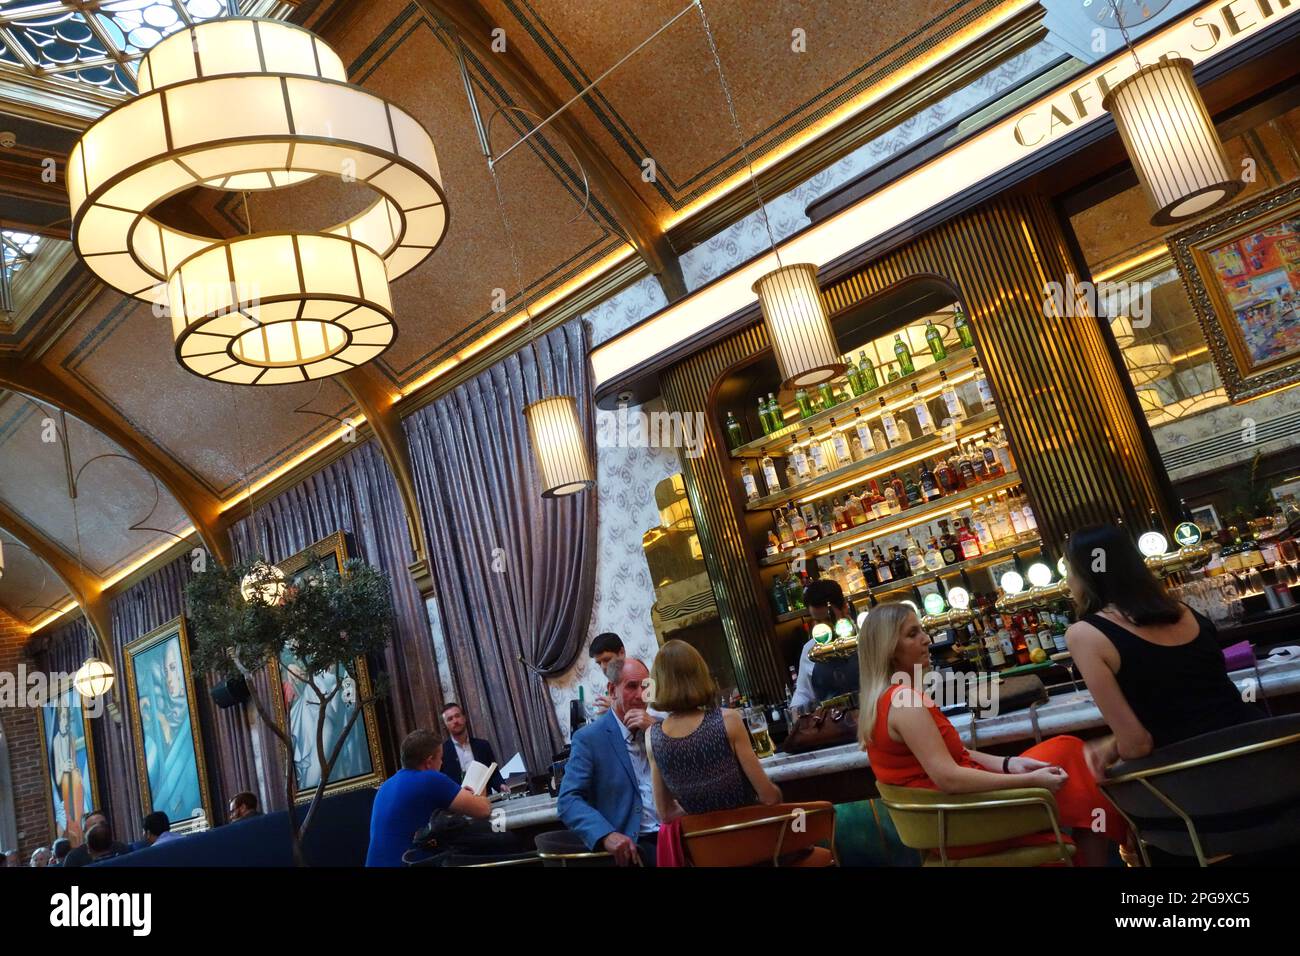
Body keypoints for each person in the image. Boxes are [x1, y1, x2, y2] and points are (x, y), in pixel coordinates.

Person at [858, 601, 1125, 865]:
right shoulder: (906, 702)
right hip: (970, 820)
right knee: (1081, 772)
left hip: (955, 817)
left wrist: (1010, 764)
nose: (927, 640)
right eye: (912, 634)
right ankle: (1122, 848)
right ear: (890, 650)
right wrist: (1030, 781)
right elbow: (949, 778)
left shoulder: (887, 700)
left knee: (1069, 752)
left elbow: (956, 755)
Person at [1064, 524, 1264, 766]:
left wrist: (1107, 748)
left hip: (1197, 776)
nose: (1067, 581)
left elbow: (1137, 744)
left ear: (1087, 574)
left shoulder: (1084, 635)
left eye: (1068, 570)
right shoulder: (1183, 610)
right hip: (1262, 750)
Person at [648, 640, 781, 822]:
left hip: (704, 848)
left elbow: (666, 814)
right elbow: (769, 798)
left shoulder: (652, 737)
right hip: (750, 840)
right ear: (700, 675)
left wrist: (706, 821)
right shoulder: (728, 720)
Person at [558, 657, 660, 866]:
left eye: (645, 686)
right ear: (612, 690)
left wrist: (657, 735)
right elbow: (568, 800)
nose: (641, 695)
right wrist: (605, 835)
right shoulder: (590, 738)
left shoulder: (660, 728)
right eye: (632, 686)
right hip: (636, 845)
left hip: (673, 834)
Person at [365, 729, 491, 867]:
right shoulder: (430, 778)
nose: (442, 763)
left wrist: (458, 797)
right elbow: (483, 810)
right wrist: (479, 789)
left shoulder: (386, 786)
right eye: (440, 758)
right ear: (429, 762)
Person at [790, 578, 860, 713]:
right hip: (836, 726)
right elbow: (803, 693)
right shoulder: (810, 649)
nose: (824, 628)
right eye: (818, 621)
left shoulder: (866, 636)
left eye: (828, 620)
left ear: (844, 608)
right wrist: (795, 714)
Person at [439, 703, 506, 793]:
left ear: (464, 718)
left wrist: (501, 785)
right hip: (458, 803)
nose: (455, 721)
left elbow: (493, 773)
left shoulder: (483, 745)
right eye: (450, 719)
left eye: (457, 716)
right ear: (445, 725)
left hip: (484, 799)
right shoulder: (442, 751)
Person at [63, 811, 130, 867]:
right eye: (94, 825)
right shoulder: (73, 858)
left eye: (102, 824)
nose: (99, 827)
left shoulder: (121, 847)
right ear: (85, 832)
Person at [589, 632, 624, 714]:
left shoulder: (641, 678)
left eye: (607, 659)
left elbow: (649, 716)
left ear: (621, 653)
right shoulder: (612, 685)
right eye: (599, 663)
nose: (603, 667)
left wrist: (616, 707)